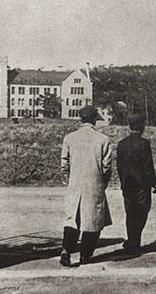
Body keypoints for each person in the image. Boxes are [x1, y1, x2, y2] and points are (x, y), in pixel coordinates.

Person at [60, 106, 112, 266]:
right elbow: (107, 167)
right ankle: (85, 255)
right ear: (95, 119)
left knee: (72, 219)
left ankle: (66, 250)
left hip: (75, 184)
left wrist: (69, 179)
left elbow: (64, 164)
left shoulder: (69, 138)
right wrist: (103, 183)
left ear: (80, 119)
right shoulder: (103, 139)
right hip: (94, 184)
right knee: (93, 221)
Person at [116, 114, 156, 254]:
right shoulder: (144, 143)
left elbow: (119, 166)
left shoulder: (121, 144)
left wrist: (122, 181)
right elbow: (147, 165)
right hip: (142, 185)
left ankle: (132, 241)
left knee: (130, 213)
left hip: (127, 184)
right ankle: (135, 242)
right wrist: (153, 182)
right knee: (142, 211)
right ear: (141, 126)